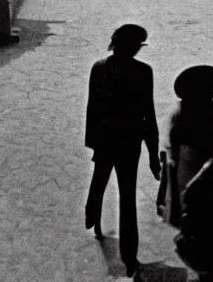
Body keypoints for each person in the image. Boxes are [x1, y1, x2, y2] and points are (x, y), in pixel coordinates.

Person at [84, 24, 161, 279]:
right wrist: (152, 153)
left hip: (105, 139)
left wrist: (93, 143)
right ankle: (129, 258)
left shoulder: (99, 67)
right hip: (129, 143)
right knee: (127, 199)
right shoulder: (143, 71)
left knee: (100, 178)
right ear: (133, 46)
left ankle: (92, 213)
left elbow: (92, 108)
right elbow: (147, 115)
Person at [157, 65, 213, 282]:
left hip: (201, 170)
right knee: (203, 215)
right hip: (194, 169)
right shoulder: (200, 112)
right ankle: (210, 253)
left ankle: (208, 257)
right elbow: (170, 147)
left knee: (202, 214)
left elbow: (171, 148)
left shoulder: (198, 112)